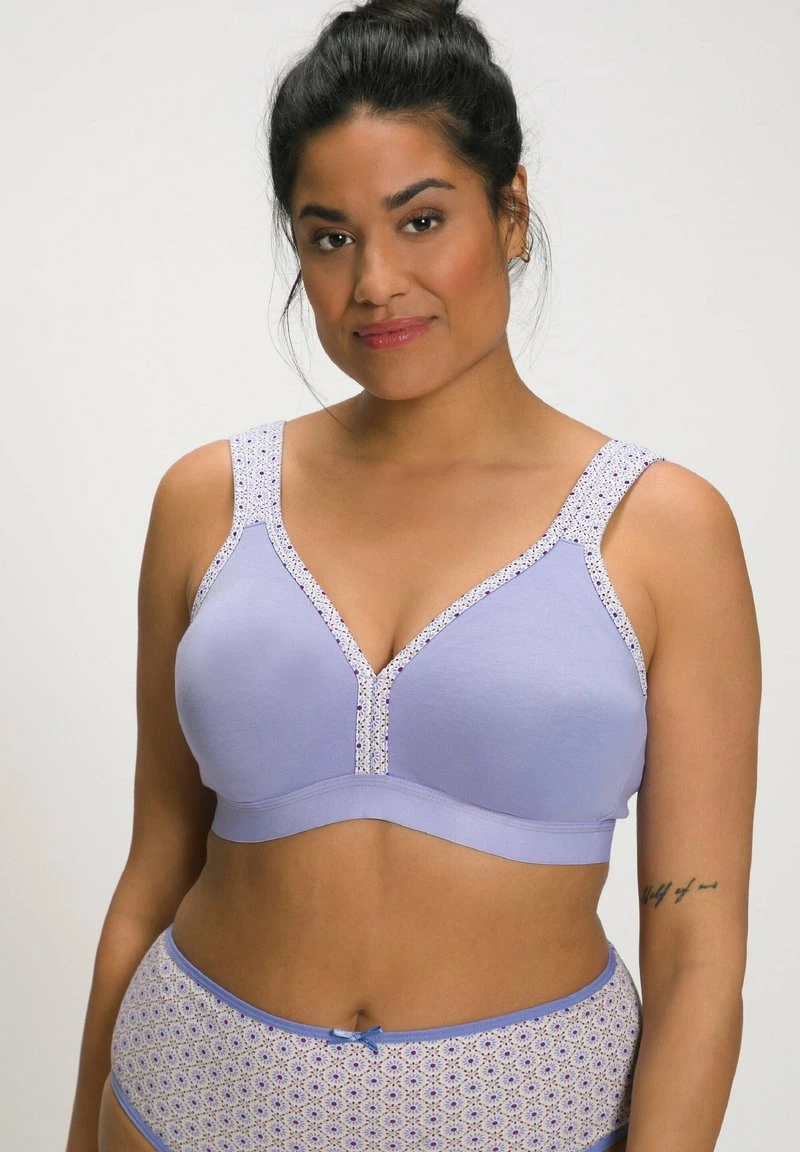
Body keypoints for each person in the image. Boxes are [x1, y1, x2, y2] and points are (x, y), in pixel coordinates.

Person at [65, 2, 760, 1149]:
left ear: (510, 213)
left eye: (420, 219)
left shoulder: (660, 531)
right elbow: (151, 876)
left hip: (524, 1117)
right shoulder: (209, 501)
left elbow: (696, 954)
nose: (375, 282)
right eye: (328, 237)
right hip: (183, 1096)